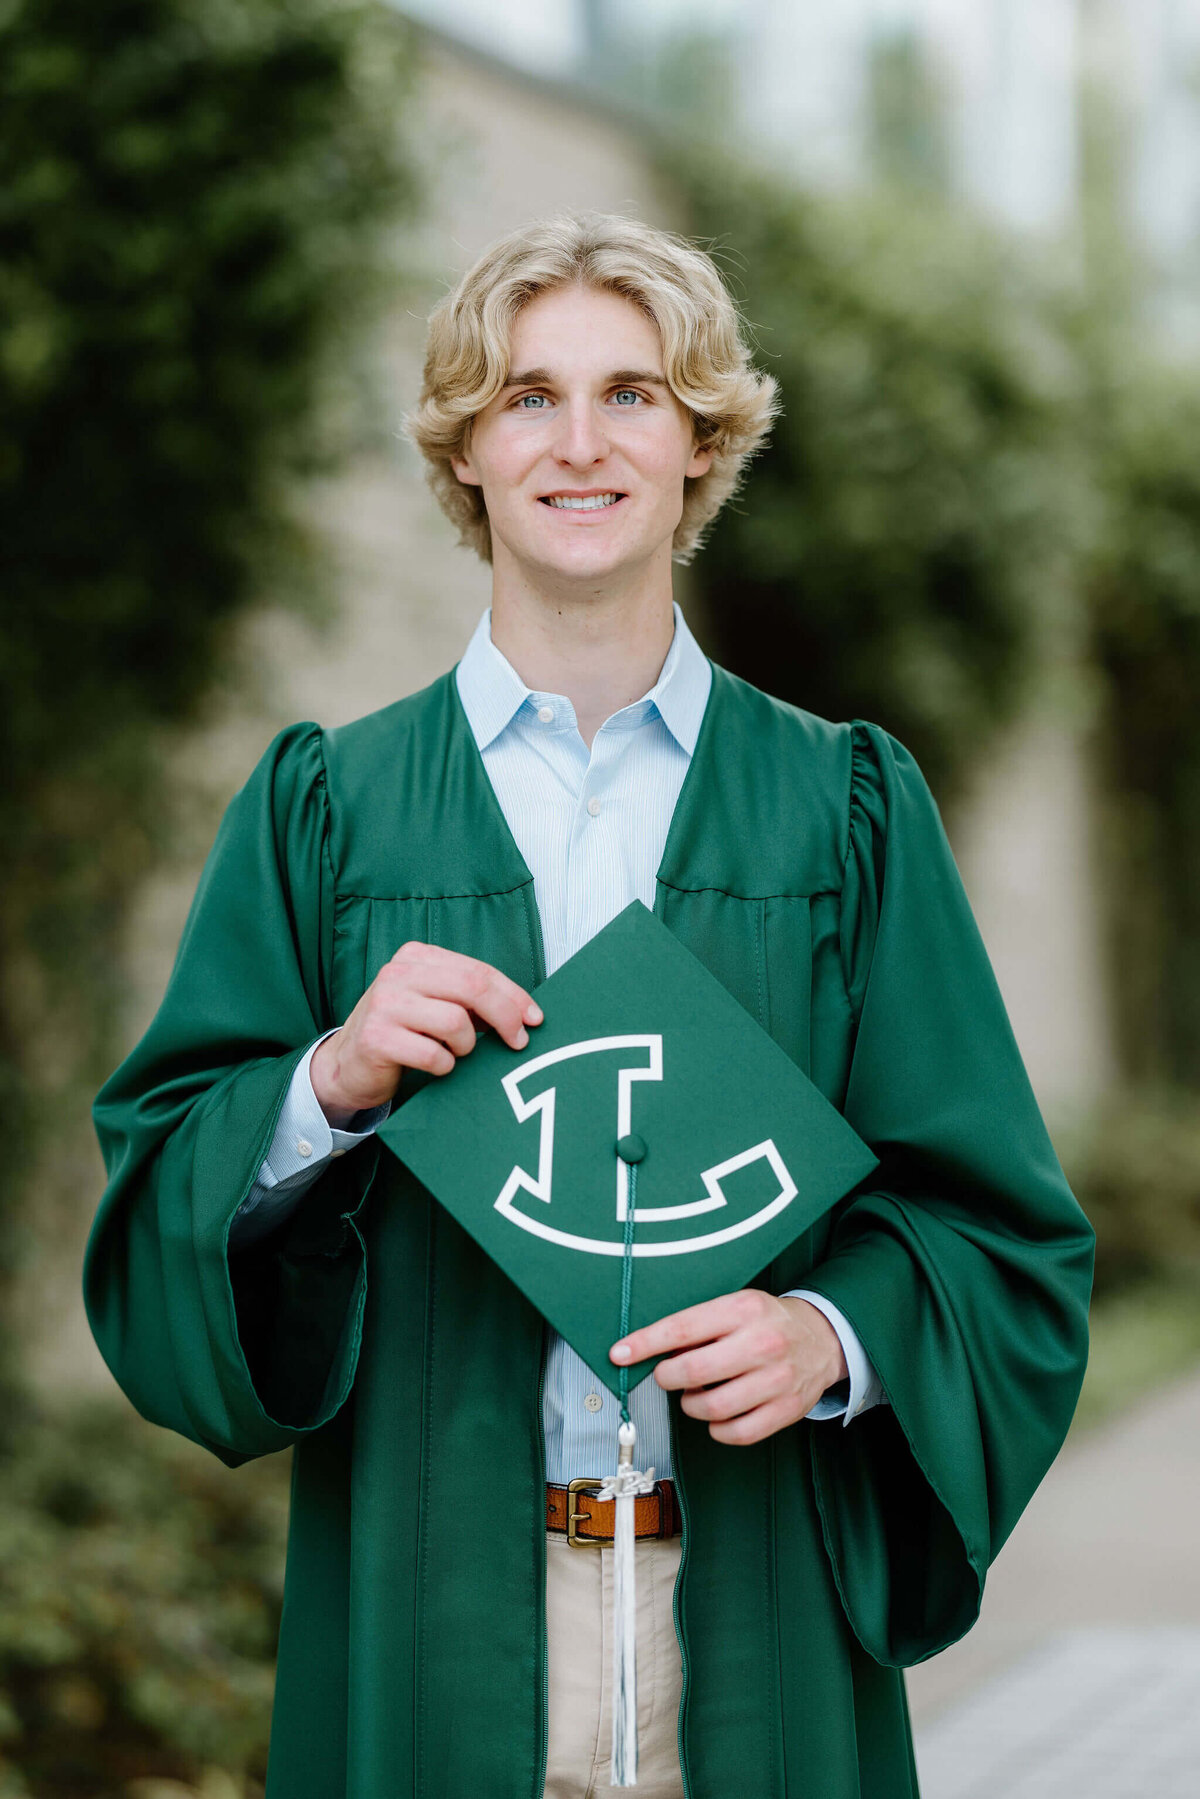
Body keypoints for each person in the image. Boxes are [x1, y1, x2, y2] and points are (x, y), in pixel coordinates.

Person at [84, 212, 1095, 1799]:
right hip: (431, 1604)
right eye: (527, 397)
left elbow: (1001, 1233)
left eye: (631, 394)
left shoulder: (839, 813)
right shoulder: (329, 815)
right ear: (464, 449)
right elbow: (156, 1200)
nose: (579, 442)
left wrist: (833, 1336)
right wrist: (327, 1086)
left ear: (702, 441)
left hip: (759, 1595)